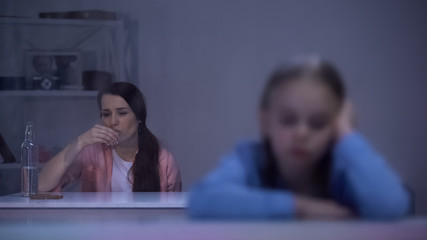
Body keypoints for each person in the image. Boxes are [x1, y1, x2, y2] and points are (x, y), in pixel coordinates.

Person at [188, 56, 410, 219]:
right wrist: (301, 207)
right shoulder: (250, 159)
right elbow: (202, 201)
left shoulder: (342, 171)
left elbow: (392, 207)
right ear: (266, 122)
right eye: (288, 120)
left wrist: (347, 134)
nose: (302, 133)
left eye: (318, 123)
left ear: (334, 127)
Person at [39, 82, 182, 192]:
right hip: (100, 230)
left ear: (139, 117)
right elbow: (42, 185)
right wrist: (79, 141)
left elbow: (172, 215)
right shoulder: (91, 152)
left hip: (146, 231)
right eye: (106, 114)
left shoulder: (163, 159)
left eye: (122, 113)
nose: (113, 121)